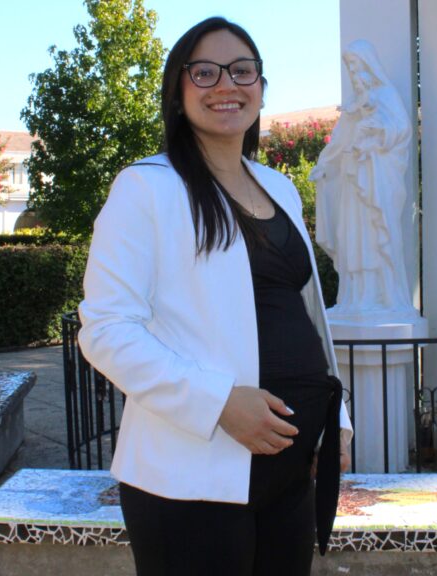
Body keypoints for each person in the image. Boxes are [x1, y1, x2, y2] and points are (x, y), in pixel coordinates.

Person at [78, 17, 352, 576]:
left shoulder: (279, 187)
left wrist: (335, 420)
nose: (226, 84)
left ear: (261, 87)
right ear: (178, 93)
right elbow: (105, 329)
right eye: (205, 72)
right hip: (190, 478)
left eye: (242, 71)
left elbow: (306, 314)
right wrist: (218, 402)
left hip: (291, 469)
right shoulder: (146, 187)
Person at [311, 39, 413, 314]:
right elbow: (339, 142)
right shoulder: (354, 105)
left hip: (376, 182)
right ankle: (354, 299)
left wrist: (376, 133)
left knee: (377, 235)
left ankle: (385, 297)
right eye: (350, 68)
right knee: (352, 238)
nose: (354, 73)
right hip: (353, 182)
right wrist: (324, 166)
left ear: (369, 65)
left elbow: (401, 130)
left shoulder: (386, 96)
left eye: (356, 65)